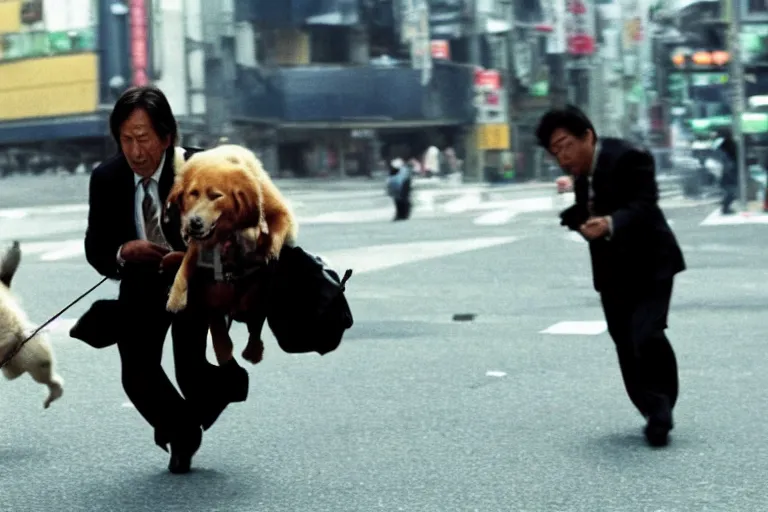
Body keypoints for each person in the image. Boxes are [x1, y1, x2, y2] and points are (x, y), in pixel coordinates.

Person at [82, 85, 249, 473]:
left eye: (144, 139)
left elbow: (237, 235)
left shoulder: (201, 170)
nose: (136, 151)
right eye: (126, 140)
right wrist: (125, 251)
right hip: (140, 285)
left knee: (192, 373)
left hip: (197, 284)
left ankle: (222, 386)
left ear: (167, 136)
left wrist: (192, 255)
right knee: (136, 376)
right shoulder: (106, 178)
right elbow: (96, 247)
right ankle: (182, 432)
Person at [535, 105, 686, 447]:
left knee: (646, 334)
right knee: (624, 344)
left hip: (651, 264)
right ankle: (650, 408)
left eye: (565, 145)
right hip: (611, 271)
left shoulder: (630, 157)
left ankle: (662, 407)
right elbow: (590, 210)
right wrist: (578, 218)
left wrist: (610, 223)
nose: (562, 156)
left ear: (587, 136)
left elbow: (644, 205)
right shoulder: (581, 174)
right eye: (555, 152)